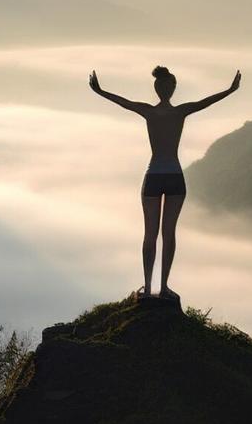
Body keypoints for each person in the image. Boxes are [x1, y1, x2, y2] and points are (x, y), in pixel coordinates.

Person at [89, 65, 240, 300]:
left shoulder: (149, 112)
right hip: (175, 177)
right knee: (168, 234)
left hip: (154, 176)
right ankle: (164, 288)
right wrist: (231, 90)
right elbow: (206, 102)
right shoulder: (180, 112)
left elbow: (124, 102)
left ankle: (148, 289)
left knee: (150, 234)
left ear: (157, 88)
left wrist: (99, 91)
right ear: (172, 89)